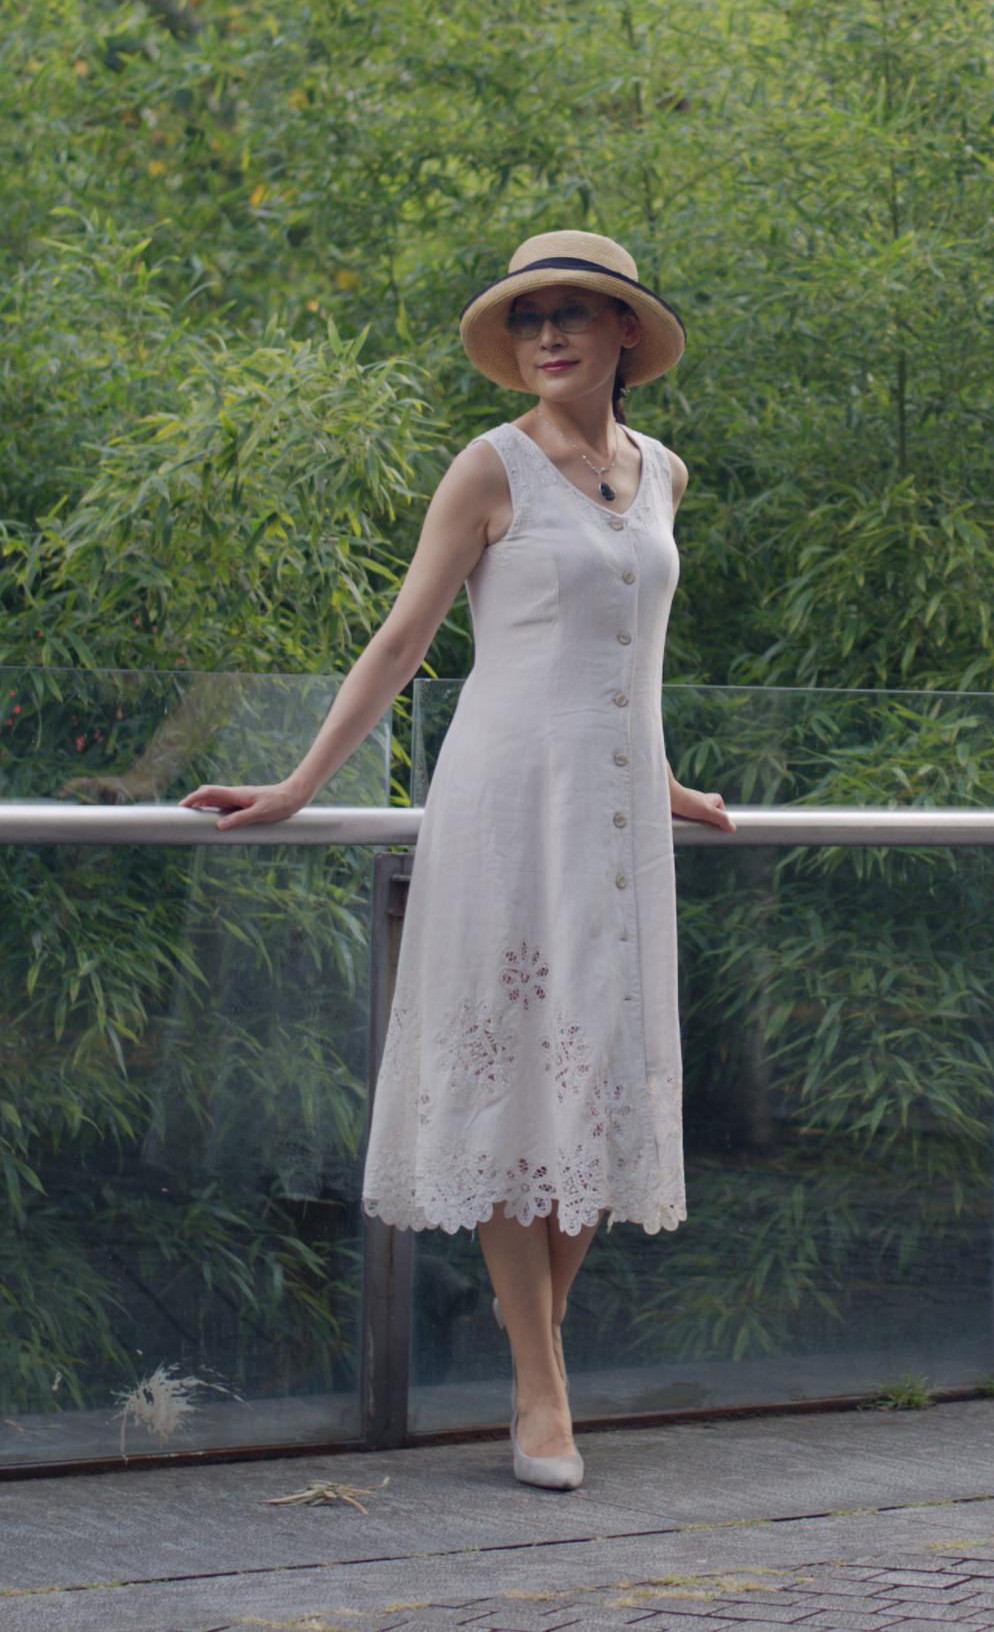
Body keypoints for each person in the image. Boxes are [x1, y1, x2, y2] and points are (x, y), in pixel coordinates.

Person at [180, 228, 736, 1490]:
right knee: (511, 1076)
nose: (549, 334)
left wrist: (662, 784)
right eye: (530, 316)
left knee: (597, 1081)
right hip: (504, 808)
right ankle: (542, 1390)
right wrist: (299, 783)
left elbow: (629, 653)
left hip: (615, 829)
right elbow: (401, 640)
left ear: (625, 334)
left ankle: (526, 1317)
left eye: (574, 313)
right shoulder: (489, 467)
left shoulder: (663, 473)